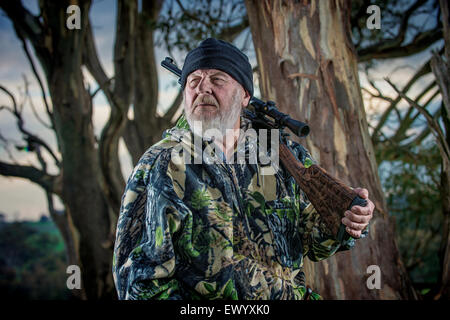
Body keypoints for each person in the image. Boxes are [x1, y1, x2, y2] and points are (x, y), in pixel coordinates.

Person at [112, 38, 374, 300]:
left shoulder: (283, 155)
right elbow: (137, 281)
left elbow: (311, 241)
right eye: (193, 81)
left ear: (245, 95)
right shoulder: (163, 163)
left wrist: (345, 220)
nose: (203, 88)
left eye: (217, 80)